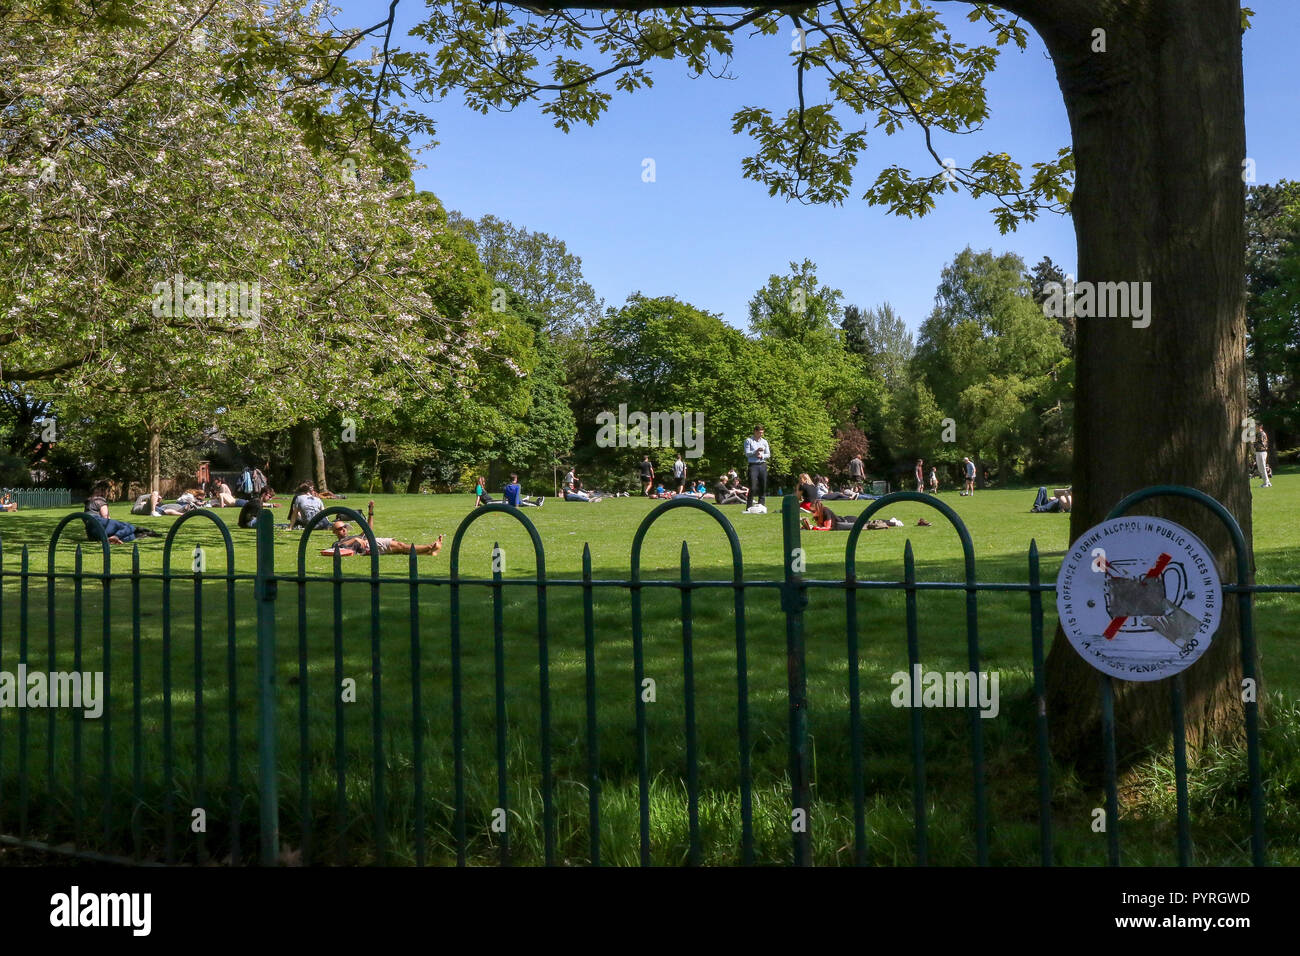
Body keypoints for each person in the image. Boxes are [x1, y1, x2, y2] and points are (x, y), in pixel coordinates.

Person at [83, 481, 159, 543]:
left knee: (127, 535)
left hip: (91, 534)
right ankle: (118, 536)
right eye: (106, 491)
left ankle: (139, 534)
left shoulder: (88, 502)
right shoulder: (99, 500)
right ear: (103, 490)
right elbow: (106, 517)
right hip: (98, 523)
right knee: (129, 526)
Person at [328, 520, 444, 556]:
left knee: (400, 547)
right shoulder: (337, 543)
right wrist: (355, 540)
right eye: (340, 528)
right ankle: (430, 547)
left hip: (374, 542)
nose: (343, 529)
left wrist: (370, 512)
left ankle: (429, 551)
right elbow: (338, 548)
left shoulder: (355, 536)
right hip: (371, 547)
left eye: (344, 527)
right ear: (334, 532)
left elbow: (368, 529)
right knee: (401, 547)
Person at [743, 425, 770, 511]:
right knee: (753, 486)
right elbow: (747, 453)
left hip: (762, 464)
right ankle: (749, 506)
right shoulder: (749, 441)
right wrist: (756, 451)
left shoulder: (764, 442)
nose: (761, 434)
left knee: (763, 485)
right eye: (759, 432)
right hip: (753, 465)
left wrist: (762, 455)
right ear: (755, 431)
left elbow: (768, 454)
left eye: (762, 432)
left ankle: (761, 505)